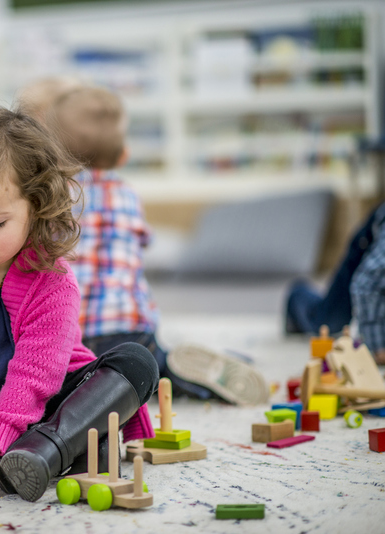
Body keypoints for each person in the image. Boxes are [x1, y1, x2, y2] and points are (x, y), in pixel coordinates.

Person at [0, 106, 159, 504]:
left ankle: (45, 451)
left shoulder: (53, 281)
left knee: (136, 362)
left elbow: (34, 378)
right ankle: (66, 452)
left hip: (52, 404)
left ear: (35, 207)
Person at [45, 85, 269, 406]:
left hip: (69, 338)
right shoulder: (127, 195)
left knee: (79, 380)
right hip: (130, 332)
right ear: (123, 154)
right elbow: (137, 252)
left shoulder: (52, 198)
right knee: (151, 364)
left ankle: (95, 384)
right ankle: (183, 373)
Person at [286, 202, 385, 364]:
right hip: (367, 249)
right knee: (327, 325)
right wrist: (378, 346)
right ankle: (297, 297)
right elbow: (367, 282)